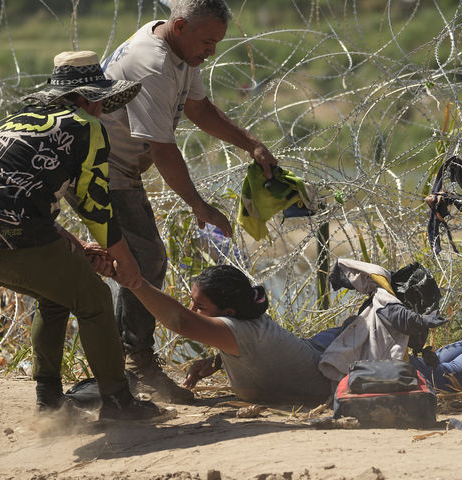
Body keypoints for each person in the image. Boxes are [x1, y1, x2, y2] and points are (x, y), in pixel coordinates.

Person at [0, 51, 163, 421]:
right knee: (95, 299)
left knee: (55, 296)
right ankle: (117, 401)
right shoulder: (85, 126)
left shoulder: (11, 123)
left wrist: (78, 246)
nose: (102, 112)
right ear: (85, 100)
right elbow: (96, 203)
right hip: (19, 240)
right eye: (100, 103)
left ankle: (48, 401)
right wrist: (127, 265)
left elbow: (14, 200)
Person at [98, 0, 278, 402]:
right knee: (146, 259)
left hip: (121, 168)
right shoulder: (153, 65)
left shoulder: (181, 53)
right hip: (103, 169)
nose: (211, 51)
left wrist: (251, 145)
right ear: (179, 26)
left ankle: (124, 363)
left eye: (217, 42)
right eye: (208, 41)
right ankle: (137, 366)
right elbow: (162, 149)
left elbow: (198, 108)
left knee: (138, 258)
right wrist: (201, 207)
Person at [123, 264, 462, 405]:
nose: (193, 310)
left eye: (200, 304)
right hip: (327, 363)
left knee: (440, 376)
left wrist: (133, 283)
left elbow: (179, 321)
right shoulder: (239, 329)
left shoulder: (239, 331)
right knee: (430, 364)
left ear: (225, 311)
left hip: (336, 378)